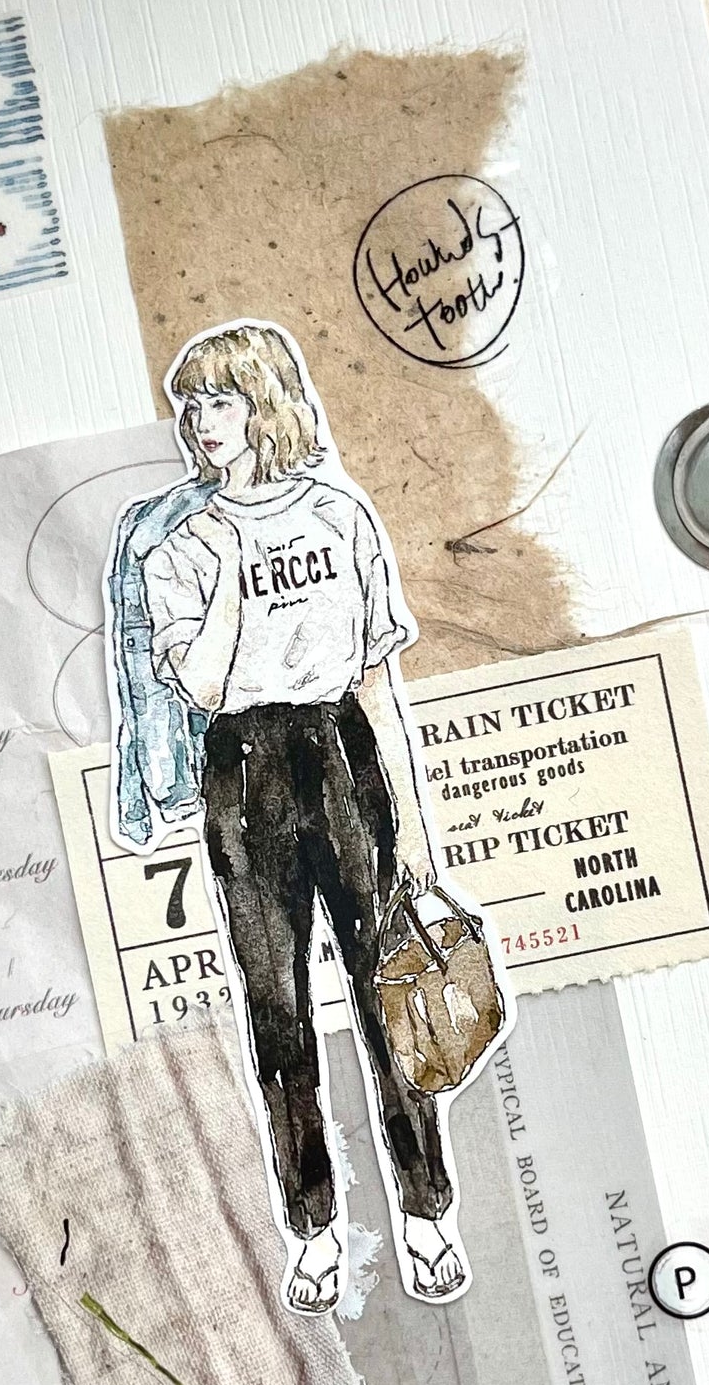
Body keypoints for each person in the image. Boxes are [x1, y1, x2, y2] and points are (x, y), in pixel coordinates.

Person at [130, 319, 469, 1314]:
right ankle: (312, 1228)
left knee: (384, 989)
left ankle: (426, 1212)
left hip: (341, 752)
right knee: (275, 1007)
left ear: (265, 404)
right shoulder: (178, 548)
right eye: (189, 405)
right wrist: (233, 562)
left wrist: (418, 826)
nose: (199, 422)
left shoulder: (339, 515)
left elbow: (378, 679)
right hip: (244, 767)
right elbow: (202, 686)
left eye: (219, 400)